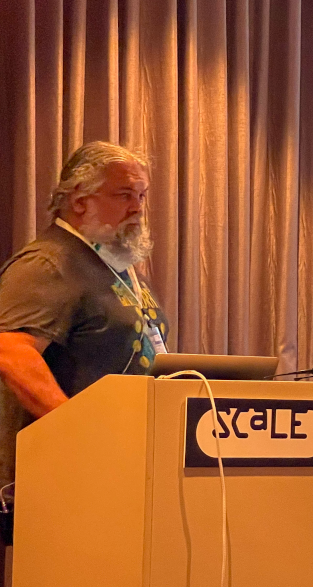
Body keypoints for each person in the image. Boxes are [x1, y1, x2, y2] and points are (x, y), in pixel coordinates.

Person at [0, 141, 167, 488]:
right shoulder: (48, 264)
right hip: (60, 473)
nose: (137, 208)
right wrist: (76, 427)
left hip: (119, 462)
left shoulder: (116, 265)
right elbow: (12, 351)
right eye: (124, 195)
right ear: (79, 200)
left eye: (142, 196)